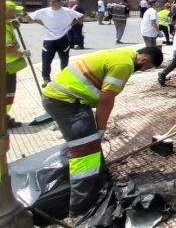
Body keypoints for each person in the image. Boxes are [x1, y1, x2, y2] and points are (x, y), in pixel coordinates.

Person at [42, 46, 163, 218]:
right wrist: (100, 128)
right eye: (147, 66)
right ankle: (80, 208)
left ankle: (98, 181)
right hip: (65, 102)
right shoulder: (124, 64)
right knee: (86, 153)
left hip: (69, 100)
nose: (144, 70)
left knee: (85, 144)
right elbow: (106, 100)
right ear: (143, 58)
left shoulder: (122, 54)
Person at [28, 0, 83, 84]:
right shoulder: (44, 11)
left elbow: (80, 16)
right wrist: (41, 23)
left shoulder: (67, 11)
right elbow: (29, 17)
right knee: (46, 60)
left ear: (60, 2)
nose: (51, 3)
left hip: (63, 38)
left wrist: (71, 25)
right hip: (49, 40)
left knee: (64, 60)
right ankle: (46, 79)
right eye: (50, 1)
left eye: (54, 1)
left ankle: (64, 78)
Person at [5, 0, 29, 128]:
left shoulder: (6, 25)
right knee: (7, 95)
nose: (16, 13)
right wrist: (22, 54)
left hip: (8, 68)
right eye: (13, 11)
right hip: (6, 69)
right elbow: (7, 50)